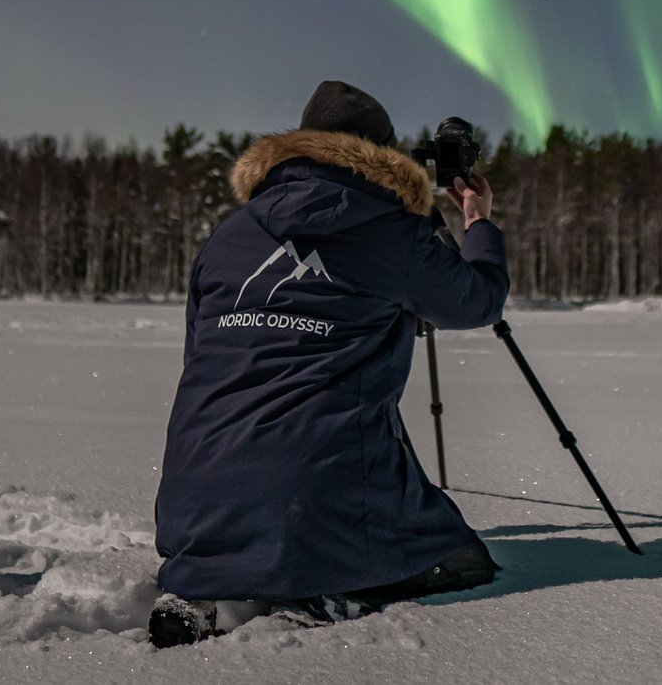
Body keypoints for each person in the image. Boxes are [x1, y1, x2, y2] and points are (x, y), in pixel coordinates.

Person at [149, 80, 509, 647]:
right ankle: (328, 588)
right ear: (386, 157)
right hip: (313, 493)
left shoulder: (229, 235)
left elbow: (199, 351)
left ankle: (206, 584)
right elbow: (477, 300)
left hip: (191, 506)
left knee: (271, 480)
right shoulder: (391, 232)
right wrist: (478, 224)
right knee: (464, 561)